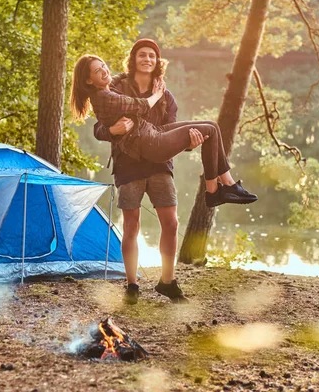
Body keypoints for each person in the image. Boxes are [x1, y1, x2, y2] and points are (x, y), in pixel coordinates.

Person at [70, 39, 256, 304]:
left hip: (159, 161)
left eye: (152, 56)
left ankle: (168, 279)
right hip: (129, 165)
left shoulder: (166, 96)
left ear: (158, 62)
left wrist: (191, 144)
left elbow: (175, 134)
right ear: (133, 59)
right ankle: (132, 285)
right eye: (142, 55)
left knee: (172, 222)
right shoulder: (115, 85)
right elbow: (100, 126)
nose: (147, 59)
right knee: (131, 226)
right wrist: (112, 131)